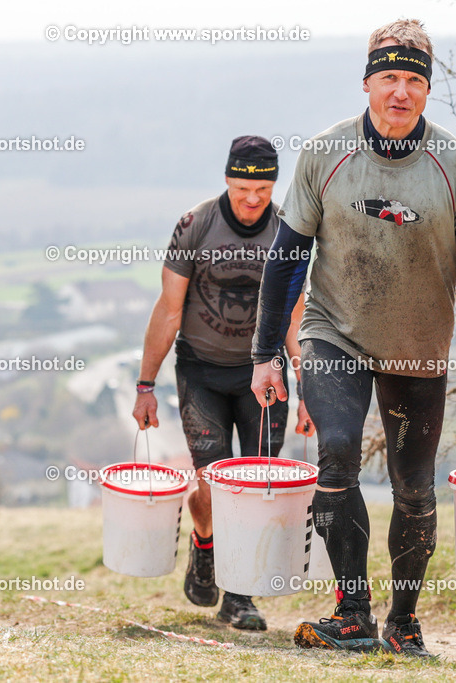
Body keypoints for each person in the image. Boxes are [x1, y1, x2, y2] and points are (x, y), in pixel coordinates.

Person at [250, 20, 456, 657]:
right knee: (338, 451)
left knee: (415, 487)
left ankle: (403, 622)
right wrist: (266, 354)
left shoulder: (455, 166)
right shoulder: (325, 154)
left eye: (413, 81)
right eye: (389, 77)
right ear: (367, 82)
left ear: (427, 89)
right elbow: (287, 260)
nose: (400, 92)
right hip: (334, 334)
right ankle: (352, 613)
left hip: (417, 347)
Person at [133, 135, 313, 631]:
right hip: (202, 371)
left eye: (262, 190)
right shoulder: (195, 225)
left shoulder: (287, 230)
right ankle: (205, 541)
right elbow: (168, 311)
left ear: (273, 186)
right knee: (213, 484)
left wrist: (308, 392)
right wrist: (145, 386)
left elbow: (296, 319)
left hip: (265, 375)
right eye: (242, 189)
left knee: (254, 489)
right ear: (228, 181)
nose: (252, 199)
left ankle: (239, 597)